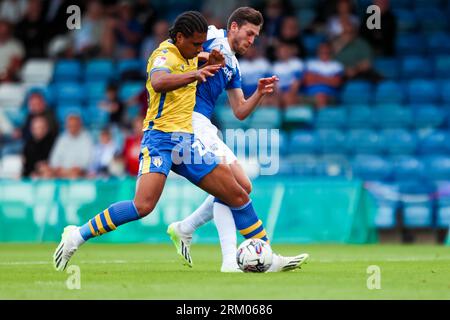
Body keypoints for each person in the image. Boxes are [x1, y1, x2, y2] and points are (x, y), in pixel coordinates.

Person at [52, 11, 223, 271]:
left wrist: (209, 58)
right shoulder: (163, 55)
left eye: (202, 44)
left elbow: (198, 57)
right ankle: (76, 236)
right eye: (196, 44)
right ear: (179, 37)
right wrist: (194, 75)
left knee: (235, 191)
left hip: (185, 142)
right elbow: (159, 80)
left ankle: (191, 233)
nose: (200, 48)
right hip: (160, 140)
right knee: (143, 206)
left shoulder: (190, 53)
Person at [168, 7, 309, 272]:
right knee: (233, 187)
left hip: (205, 125)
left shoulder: (233, 65)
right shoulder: (209, 35)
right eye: (249, 33)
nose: (252, 41)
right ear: (233, 27)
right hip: (188, 119)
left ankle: (185, 229)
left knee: (241, 187)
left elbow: (240, 111)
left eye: (255, 36)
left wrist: (259, 93)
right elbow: (174, 51)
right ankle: (233, 260)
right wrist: (207, 56)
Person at [47, 114, 94, 179]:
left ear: (80, 125)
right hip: (61, 171)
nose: (72, 128)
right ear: (66, 126)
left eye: (75, 125)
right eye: (70, 126)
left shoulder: (87, 139)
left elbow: (87, 161)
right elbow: (54, 159)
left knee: (75, 175)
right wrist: (59, 169)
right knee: (47, 173)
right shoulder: (62, 138)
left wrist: (72, 170)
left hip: (79, 172)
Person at [303, 42, 344, 109]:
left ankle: (322, 118)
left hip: (330, 95)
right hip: (309, 94)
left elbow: (336, 82)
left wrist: (316, 77)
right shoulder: (310, 63)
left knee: (321, 97)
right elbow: (308, 80)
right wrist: (328, 79)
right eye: (322, 52)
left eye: (327, 52)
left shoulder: (337, 65)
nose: (324, 54)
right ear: (317, 52)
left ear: (331, 52)